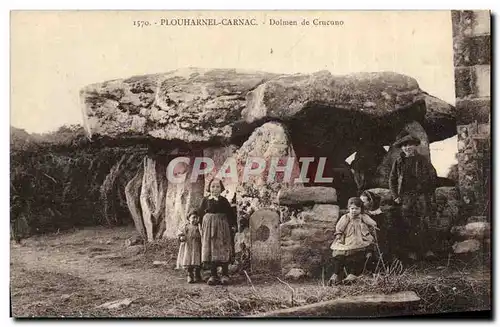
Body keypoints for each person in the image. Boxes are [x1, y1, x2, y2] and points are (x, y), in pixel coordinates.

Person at [389, 133, 437, 262]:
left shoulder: (422, 160)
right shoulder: (399, 161)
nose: (407, 148)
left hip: (421, 195)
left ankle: (427, 251)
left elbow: (433, 176)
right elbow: (392, 179)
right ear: (402, 148)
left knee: (423, 222)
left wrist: (427, 191)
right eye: (404, 145)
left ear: (415, 146)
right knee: (408, 223)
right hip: (405, 196)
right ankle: (412, 252)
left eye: (410, 145)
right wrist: (395, 196)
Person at [328, 197, 378, 285]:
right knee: (341, 254)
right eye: (352, 208)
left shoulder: (363, 217)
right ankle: (336, 276)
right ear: (349, 209)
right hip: (348, 239)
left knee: (358, 255)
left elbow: (372, 223)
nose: (354, 211)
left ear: (361, 209)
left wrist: (372, 225)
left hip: (360, 238)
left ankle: (352, 276)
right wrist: (339, 234)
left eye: (357, 209)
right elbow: (340, 227)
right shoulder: (346, 217)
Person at [197, 178, 237, 286]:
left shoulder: (224, 201)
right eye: (213, 186)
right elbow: (200, 214)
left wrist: (232, 225)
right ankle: (213, 275)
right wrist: (200, 226)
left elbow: (230, 214)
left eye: (217, 186)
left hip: (222, 228)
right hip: (209, 229)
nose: (215, 189)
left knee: (223, 248)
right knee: (211, 249)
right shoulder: (205, 200)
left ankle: (225, 274)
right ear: (209, 188)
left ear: (221, 188)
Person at [176, 211, 202, 284]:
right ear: (189, 218)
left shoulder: (198, 227)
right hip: (188, 246)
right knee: (188, 260)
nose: (195, 220)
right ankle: (190, 275)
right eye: (193, 218)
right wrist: (181, 237)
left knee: (197, 259)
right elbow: (180, 233)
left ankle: (197, 275)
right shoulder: (186, 226)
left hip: (197, 246)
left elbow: (202, 234)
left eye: (196, 218)